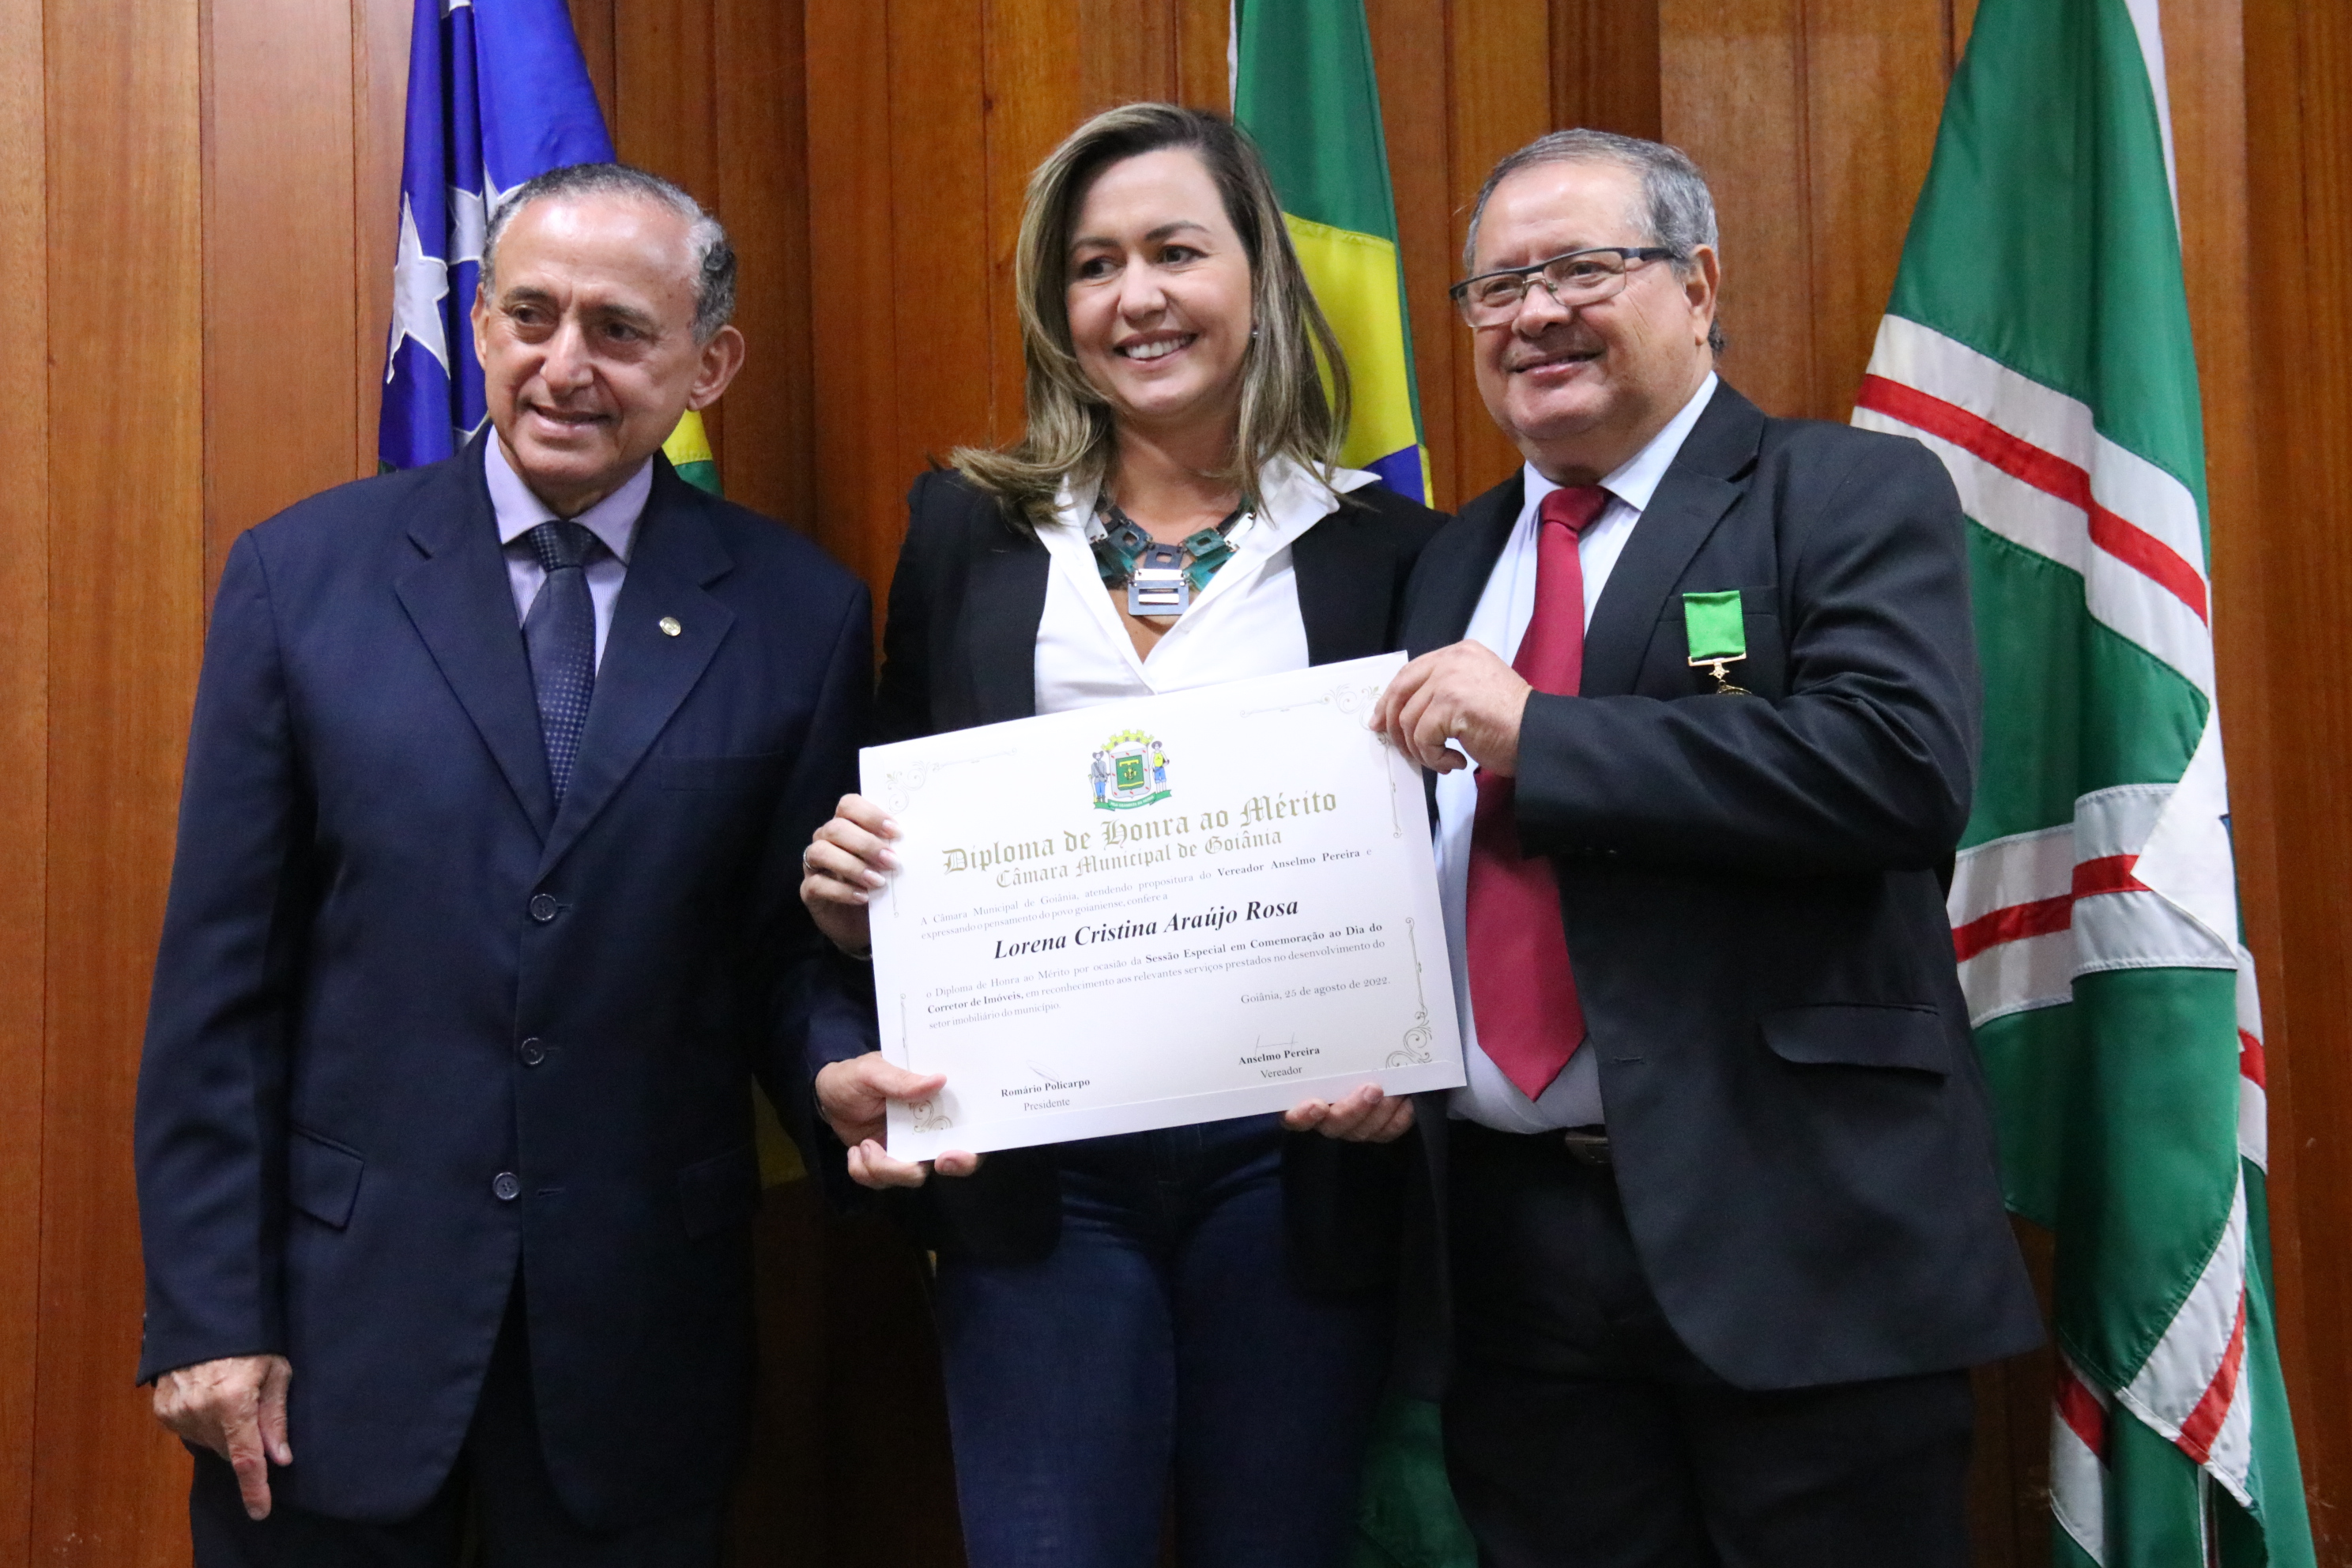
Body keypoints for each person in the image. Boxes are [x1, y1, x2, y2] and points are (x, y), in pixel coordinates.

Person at [133, 162, 872, 1566]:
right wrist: (209, 1316)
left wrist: (836, 1072)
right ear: (478, 325)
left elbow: (783, 955)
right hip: (331, 1336)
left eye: (620, 329)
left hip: (637, 1336)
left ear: (709, 366)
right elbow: (220, 986)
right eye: (530, 314)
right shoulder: (304, 577)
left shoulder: (799, 613)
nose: (563, 365)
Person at [1370, 130, 2042, 1567]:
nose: (1536, 313)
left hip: (1799, 1231)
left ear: (1698, 285)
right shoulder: (1445, 561)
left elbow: (1897, 770)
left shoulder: (1845, 491)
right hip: (1512, 1254)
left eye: (1581, 269)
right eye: (1497, 287)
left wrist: (1542, 736)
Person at [797, 104, 1446, 1568]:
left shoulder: (1393, 554)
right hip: (1039, 1170)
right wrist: (853, 899)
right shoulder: (965, 532)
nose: (1136, 296)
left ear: (1260, 275)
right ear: (1059, 307)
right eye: (1094, 266)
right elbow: (894, 833)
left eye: (1175, 251)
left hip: (1293, 1168)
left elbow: (1444, 870)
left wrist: (1411, 1070)